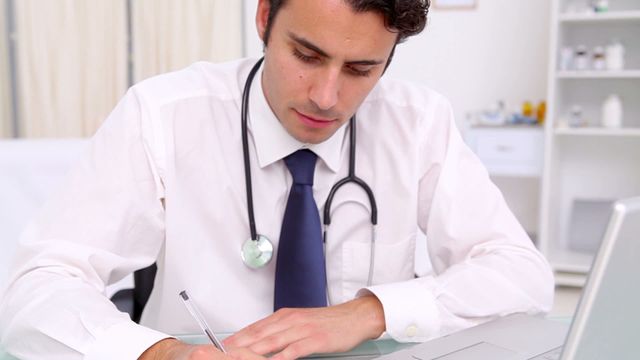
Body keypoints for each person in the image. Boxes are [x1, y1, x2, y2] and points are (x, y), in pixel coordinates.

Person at [0, 0, 554, 359]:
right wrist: (163, 354)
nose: (326, 96)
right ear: (264, 17)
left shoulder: (418, 122)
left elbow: (521, 275)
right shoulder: (164, 113)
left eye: (361, 70)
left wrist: (370, 312)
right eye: (306, 55)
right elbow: (39, 289)